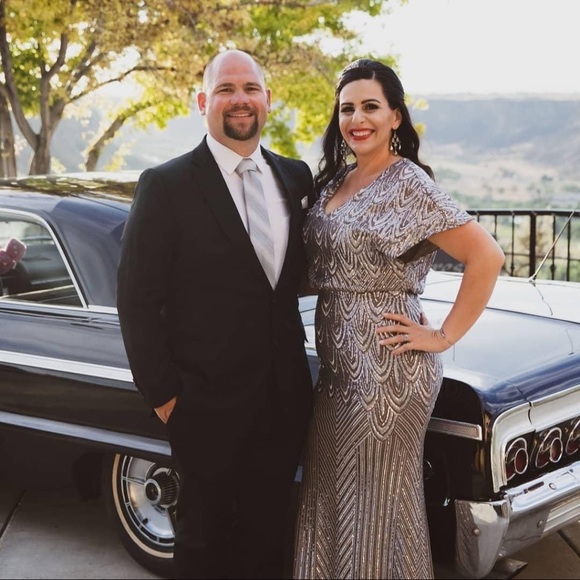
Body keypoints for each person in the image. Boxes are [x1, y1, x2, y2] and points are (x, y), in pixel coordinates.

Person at [293, 59, 505, 579]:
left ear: (395, 117)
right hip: (338, 371)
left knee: (374, 505)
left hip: (387, 371)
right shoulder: (337, 181)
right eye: (347, 108)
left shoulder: (407, 183)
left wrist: (442, 335)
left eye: (370, 106)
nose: (357, 119)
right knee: (330, 493)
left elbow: (486, 256)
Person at [117, 49, 315, 580]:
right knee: (203, 541)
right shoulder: (166, 185)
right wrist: (164, 397)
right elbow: (136, 298)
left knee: (268, 536)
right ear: (203, 101)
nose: (239, 99)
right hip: (201, 405)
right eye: (226, 89)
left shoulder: (296, 177)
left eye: (250, 88)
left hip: (284, 398)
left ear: (268, 99)